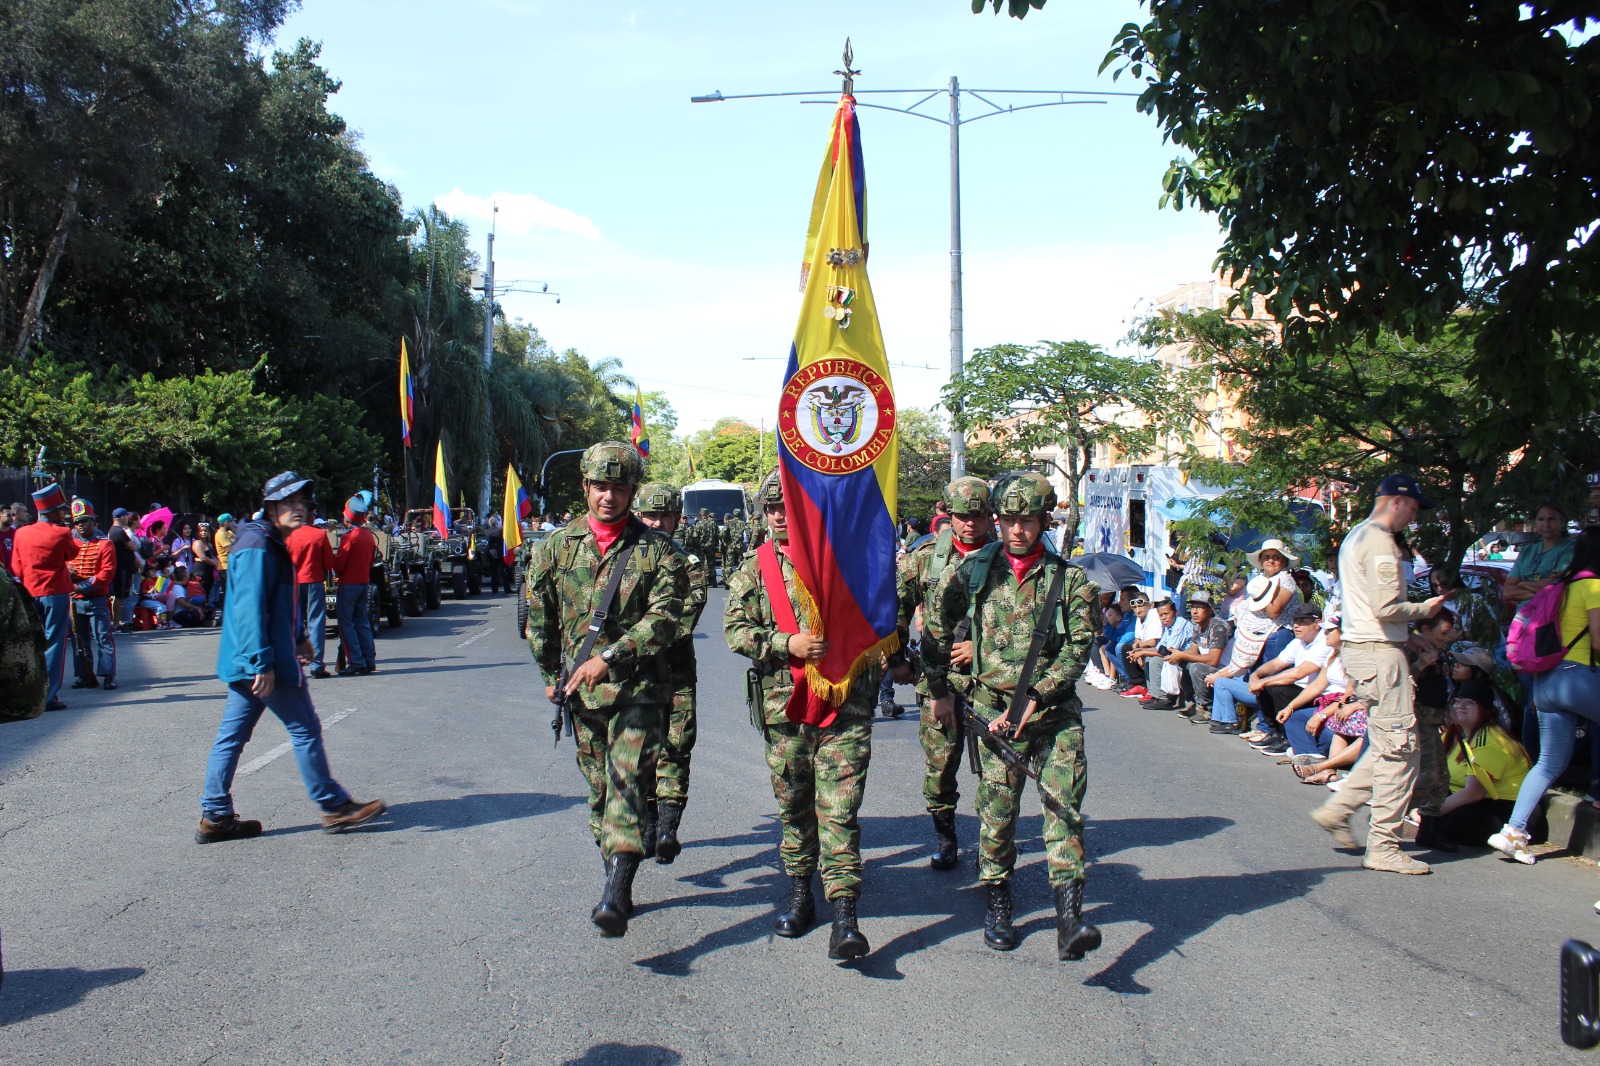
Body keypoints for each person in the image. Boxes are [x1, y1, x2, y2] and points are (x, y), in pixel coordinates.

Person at [924, 471, 1102, 961]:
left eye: (1028, 521)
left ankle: (1070, 919)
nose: (1017, 530)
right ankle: (998, 902)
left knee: (1063, 806)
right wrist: (940, 687)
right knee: (997, 814)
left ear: (1045, 522)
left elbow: (1078, 650)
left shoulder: (1071, 580)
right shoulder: (975, 570)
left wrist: (1039, 696)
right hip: (993, 715)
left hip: (1053, 716)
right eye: (1008, 520)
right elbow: (936, 628)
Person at [525, 443, 689, 937]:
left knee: (627, 782)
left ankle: (616, 890)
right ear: (585, 487)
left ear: (632, 491)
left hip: (640, 689)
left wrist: (611, 656)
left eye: (619, 488)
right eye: (600, 486)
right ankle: (616, 873)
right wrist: (551, 676)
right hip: (582, 694)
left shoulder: (658, 551)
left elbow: (665, 619)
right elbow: (539, 617)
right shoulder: (555, 547)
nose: (609, 496)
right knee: (599, 792)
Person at [725, 469, 877, 959]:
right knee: (794, 808)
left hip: (844, 706)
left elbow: (879, 618)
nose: (778, 516)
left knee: (839, 811)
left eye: (786, 506)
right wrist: (783, 643)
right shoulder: (754, 568)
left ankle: (845, 916)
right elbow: (735, 630)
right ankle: (799, 894)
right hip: (784, 709)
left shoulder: (845, 561)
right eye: (771, 508)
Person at [197, 472, 387, 843]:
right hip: (263, 659)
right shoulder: (258, 544)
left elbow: (277, 600)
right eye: (289, 502)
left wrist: (299, 636)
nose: (299, 508)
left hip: (253, 657)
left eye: (302, 502)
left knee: (232, 736)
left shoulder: (269, 540)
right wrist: (262, 662)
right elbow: (250, 609)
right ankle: (334, 805)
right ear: (271, 508)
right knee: (305, 728)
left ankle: (215, 815)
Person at [1311, 474, 1455, 875]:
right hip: (1378, 654)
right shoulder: (1379, 540)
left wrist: (1411, 637)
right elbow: (1386, 607)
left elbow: (1367, 606)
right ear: (1397, 502)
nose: (1413, 517)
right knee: (1400, 752)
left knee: (1386, 743)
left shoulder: (1357, 534)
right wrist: (1427, 610)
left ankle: (1339, 810)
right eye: (1413, 508)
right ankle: (1384, 846)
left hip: (1366, 650)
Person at [893, 475, 996, 870]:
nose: (970, 523)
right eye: (962, 516)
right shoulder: (927, 557)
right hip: (938, 682)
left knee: (997, 773)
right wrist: (896, 659)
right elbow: (894, 607)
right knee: (940, 768)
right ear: (948, 515)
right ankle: (946, 837)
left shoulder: (1007, 560)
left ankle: (993, 848)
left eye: (979, 516)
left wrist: (981, 648)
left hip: (992, 683)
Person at [1489, 528, 1600, 865]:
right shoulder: (1594, 587)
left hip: (1546, 681)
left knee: (1549, 762)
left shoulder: (1559, 585)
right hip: (1580, 679)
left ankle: (1513, 832)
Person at [633, 482, 710, 865]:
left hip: (675, 670)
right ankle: (649, 823)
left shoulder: (690, 564)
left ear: (677, 519)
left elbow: (685, 618)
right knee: (640, 749)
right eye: (650, 515)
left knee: (676, 745)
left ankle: (667, 826)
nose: (656, 523)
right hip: (634, 676)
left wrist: (637, 640)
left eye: (664, 516)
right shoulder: (623, 561)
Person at [1409, 680, 1536, 850]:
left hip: (1502, 806)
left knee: (1457, 821)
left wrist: (1426, 812)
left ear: (1486, 710)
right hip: (1466, 797)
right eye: (1456, 701)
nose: (1460, 706)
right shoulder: (1453, 734)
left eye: (1470, 702)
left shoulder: (1490, 741)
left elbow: (1473, 793)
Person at [1213, 605, 1330, 753]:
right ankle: (1275, 732)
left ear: (1317, 623)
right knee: (1266, 686)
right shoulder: (1299, 641)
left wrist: (1264, 681)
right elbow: (1276, 664)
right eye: (1295, 621)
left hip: (1316, 696)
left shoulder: (1324, 642)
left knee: (1278, 689)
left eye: (1302, 621)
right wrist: (1256, 676)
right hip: (1301, 690)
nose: (1296, 625)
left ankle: (1288, 738)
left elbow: (1299, 672)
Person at [11, 483, 79, 710]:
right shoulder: (61, 532)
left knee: (33, 643)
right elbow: (73, 552)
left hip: (30, 592)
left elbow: (16, 566)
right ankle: (48, 697)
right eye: (61, 510)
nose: (63, 514)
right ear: (54, 511)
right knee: (54, 643)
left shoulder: (21, 532)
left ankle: (30, 692)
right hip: (55, 593)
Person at [1406, 609, 1460, 825]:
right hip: (1415, 720)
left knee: (1440, 777)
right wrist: (1418, 666)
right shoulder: (1410, 650)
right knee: (1426, 776)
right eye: (1442, 633)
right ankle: (1399, 814)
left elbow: (1439, 686)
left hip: (1433, 720)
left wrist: (1447, 710)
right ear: (1426, 629)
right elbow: (1398, 685)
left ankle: (1430, 824)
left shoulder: (1438, 652)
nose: (1445, 638)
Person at [67, 499, 118, 691]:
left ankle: (108, 675)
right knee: (79, 640)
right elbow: (61, 566)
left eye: (85, 521)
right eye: (77, 522)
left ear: (93, 522)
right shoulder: (69, 545)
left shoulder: (105, 544)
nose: (81, 525)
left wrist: (83, 586)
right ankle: (83, 674)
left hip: (97, 597)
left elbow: (107, 573)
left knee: (103, 637)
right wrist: (67, 571)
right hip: (75, 599)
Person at [286, 510, 337, 679]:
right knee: (316, 622)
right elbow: (328, 563)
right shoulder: (319, 534)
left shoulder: (288, 534)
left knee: (294, 622)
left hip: (293, 582)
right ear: (311, 517)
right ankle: (316, 665)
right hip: (314, 580)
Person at [1166, 590, 1229, 721]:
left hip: (1224, 670)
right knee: (1181, 662)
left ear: (1210, 610)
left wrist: (1182, 655)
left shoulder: (1218, 627)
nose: (1194, 611)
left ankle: (1207, 709)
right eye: (1192, 607)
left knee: (1196, 668)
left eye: (1199, 607)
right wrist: (1176, 654)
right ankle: (1195, 703)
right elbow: (1193, 651)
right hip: (1208, 666)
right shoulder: (1197, 625)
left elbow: (1213, 660)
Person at [333, 494, 378, 676]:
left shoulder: (349, 538)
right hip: (363, 583)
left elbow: (339, 564)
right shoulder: (369, 537)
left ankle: (356, 662)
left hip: (348, 585)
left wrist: (336, 572)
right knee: (363, 623)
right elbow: (371, 562)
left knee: (346, 625)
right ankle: (369, 660)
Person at [1247, 538, 1302, 663]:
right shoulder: (1261, 579)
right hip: (1258, 638)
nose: (1270, 560)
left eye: (1276, 557)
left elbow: (1274, 611)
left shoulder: (1285, 579)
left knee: (1267, 674)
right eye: (1266, 557)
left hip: (1275, 636)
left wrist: (1258, 595)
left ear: (1284, 561)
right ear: (1261, 561)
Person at [1135, 599, 1195, 710]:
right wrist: (1139, 651)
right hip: (1177, 656)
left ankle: (1163, 698)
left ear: (1175, 612)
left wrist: (1143, 651)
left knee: (1156, 661)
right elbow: (1160, 648)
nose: (1163, 618)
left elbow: (1168, 651)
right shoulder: (1169, 626)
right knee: (1148, 658)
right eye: (1161, 615)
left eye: (1166, 614)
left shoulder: (1179, 625)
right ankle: (1154, 694)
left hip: (1187, 659)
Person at [1116, 592, 1162, 697]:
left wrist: (1138, 650)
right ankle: (1138, 684)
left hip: (1156, 649)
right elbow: (1137, 638)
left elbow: (1153, 642)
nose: (1137, 610)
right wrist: (1136, 650)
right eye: (1135, 607)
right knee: (1126, 648)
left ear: (1149, 605)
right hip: (1145, 648)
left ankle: (1149, 688)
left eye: (1140, 606)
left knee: (1144, 656)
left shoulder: (1153, 614)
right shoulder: (1139, 617)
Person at [107, 508, 141, 630]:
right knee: (119, 596)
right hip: (121, 568)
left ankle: (117, 622)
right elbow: (134, 547)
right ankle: (116, 623)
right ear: (122, 517)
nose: (128, 519)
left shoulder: (116, 531)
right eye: (127, 516)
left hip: (124, 568)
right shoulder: (118, 531)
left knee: (120, 596)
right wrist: (129, 546)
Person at [211, 513, 236, 623]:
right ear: (225, 523)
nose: (232, 523)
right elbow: (230, 549)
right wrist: (235, 542)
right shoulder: (220, 534)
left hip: (231, 566)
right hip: (225, 567)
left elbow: (238, 538)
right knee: (227, 592)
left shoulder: (228, 532)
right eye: (230, 522)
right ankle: (225, 616)